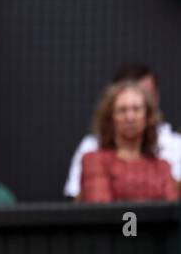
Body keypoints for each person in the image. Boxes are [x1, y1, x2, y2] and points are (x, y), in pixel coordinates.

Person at [66, 63, 181, 199]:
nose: (130, 117)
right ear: (110, 117)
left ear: (148, 116)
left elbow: (172, 213)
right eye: (122, 110)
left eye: (137, 109)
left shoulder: (163, 167)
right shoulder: (94, 160)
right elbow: (101, 211)